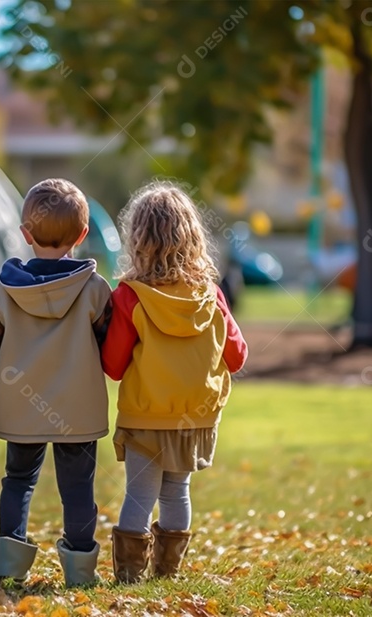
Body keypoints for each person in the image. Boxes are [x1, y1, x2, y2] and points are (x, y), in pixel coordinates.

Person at [101, 181, 248, 583]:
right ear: (191, 237)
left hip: (146, 415)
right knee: (176, 493)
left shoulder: (129, 297)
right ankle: (167, 572)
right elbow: (237, 356)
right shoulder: (211, 295)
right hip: (192, 417)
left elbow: (113, 366)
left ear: (137, 239)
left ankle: (129, 574)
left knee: (139, 495)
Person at [0, 178, 112, 587]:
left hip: (22, 403)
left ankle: (8, 560)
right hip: (76, 406)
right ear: (83, 234)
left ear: (25, 234)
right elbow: (105, 341)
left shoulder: (7, 291)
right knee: (78, 486)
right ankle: (79, 567)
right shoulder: (94, 290)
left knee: (18, 480)